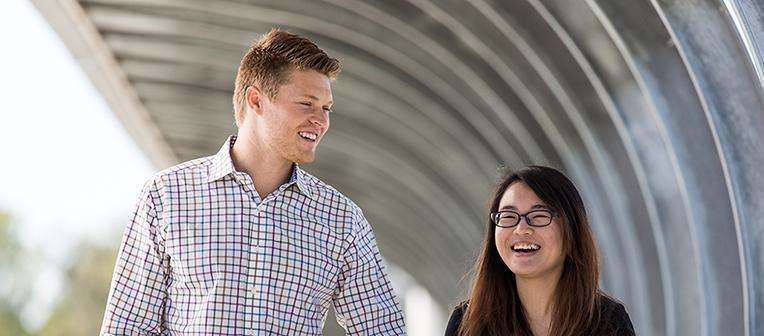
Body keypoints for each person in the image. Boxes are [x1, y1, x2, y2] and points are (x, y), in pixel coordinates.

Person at [100, 29, 406, 335]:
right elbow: (128, 327)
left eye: (326, 108)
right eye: (306, 104)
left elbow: (382, 330)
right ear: (256, 100)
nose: (321, 120)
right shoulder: (167, 196)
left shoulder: (342, 220)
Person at [445, 165, 634, 336]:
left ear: (572, 231)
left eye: (539, 215)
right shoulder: (468, 324)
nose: (521, 229)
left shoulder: (607, 323)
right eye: (508, 216)